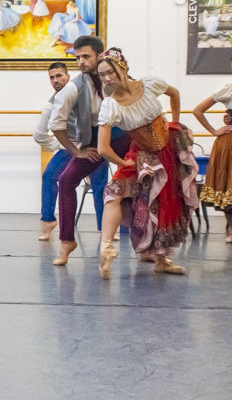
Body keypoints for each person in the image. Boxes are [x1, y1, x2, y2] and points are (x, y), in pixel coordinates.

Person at [95, 49, 195, 278]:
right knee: (114, 192)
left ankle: (161, 258)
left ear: (123, 68)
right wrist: (123, 161)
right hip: (141, 155)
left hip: (167, 151)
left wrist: (175, 124)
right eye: (102, 75)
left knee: (165, 202)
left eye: (110, 72)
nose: (107, 78)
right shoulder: (111, 104)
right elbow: (103, 148)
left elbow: (174, 93)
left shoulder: (149, 85)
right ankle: (106, 247)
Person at [47, 35, 130, 266]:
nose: (80, 62)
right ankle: (66, 242)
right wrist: (76, 151)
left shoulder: (117, 77)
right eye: (77, 57)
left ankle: (149, 244)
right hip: (94, 140)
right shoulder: (74, 86)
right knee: (66, 181)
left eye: (86, 56)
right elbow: (56, 124)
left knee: (146, 179)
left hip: (124, 135)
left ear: (99, 56)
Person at [35, 62, 71, 240]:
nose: (56, 80)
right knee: (48, 175)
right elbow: (39, 135)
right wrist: (59, 145)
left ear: (68, 77)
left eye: (59, 76)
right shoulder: (51, 104)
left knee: (99, 184)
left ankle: (107, 229)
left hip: (94, 146)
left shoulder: (82, 93)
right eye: (52, 77)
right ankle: (48, 221)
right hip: (71, 149)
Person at [193, 77, 232, 241]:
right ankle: (230, 228)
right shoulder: (229, 89)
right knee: (228, 184)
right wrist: (214, 130)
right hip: (229, 142)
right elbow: (198, 110)